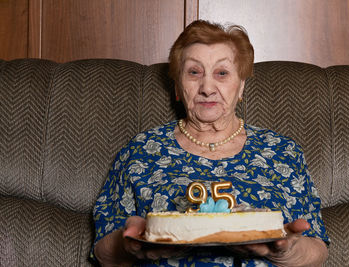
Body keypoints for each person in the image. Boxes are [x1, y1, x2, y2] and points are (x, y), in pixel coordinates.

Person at [91, 20, 329, 267]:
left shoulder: (283, 152)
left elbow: (316, 250)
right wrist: (128, 246)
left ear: (241, 87)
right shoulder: (141, 150)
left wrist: (284, 252)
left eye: (222, 73)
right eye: (194, 72)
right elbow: (103, 250)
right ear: (177, 87)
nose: (207, 88)